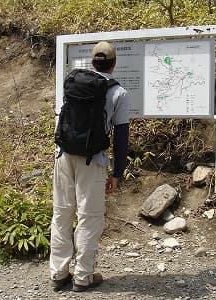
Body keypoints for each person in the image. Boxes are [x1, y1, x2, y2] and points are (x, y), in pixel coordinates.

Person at [49, 41, 130, 292]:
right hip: (92, 160)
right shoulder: (118, 93)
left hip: (63, 155)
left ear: (92, 62)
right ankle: (83, 277)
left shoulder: (73, 83)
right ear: (114, 64)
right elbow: (121, 137)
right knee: (89, 216)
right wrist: (116, 173)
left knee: (62, 213)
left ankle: (58, 274)